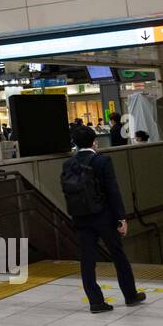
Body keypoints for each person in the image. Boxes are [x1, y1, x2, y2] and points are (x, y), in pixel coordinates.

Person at [64, 126, 145, 313]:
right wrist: (121, 218)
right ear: (95, 142)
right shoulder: (102, 161)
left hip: (81, 218)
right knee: (118, 256)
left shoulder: (68, 164)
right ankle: (130, 295)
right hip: (104, 217)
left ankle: (96, 302)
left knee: (87, 260)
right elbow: (112, 191)